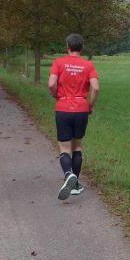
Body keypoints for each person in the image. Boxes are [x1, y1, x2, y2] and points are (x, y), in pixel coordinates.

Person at [48, 33, 99, 200]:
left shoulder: (59, 62)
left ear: (67, 46)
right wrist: (90, 105)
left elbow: (51, 83)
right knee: (77, 146)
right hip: (81, 108)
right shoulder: (88, 65)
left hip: (63, 107)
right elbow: (96, 88)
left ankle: (68, 174)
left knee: (64, 148)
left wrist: (56, 95)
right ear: (81, 48)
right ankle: (75, 185)